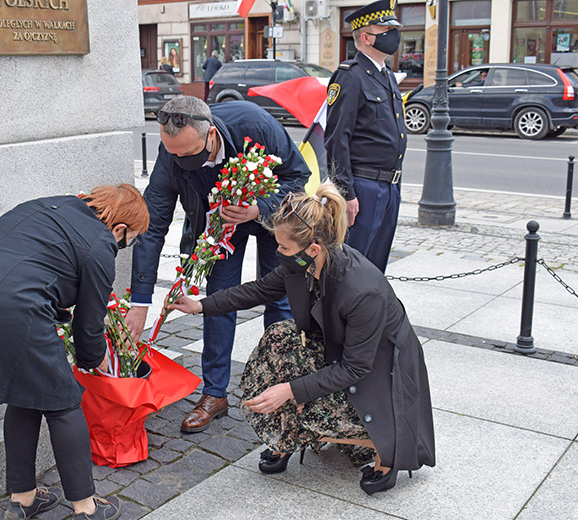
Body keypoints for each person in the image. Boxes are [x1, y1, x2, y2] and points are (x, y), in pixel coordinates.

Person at [168, 184, 435, 495]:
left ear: (313, 249)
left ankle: (385, 449)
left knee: (307, 402)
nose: (278, 253)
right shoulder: (301, 264)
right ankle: (285, 437)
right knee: (280, 336)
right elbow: (258, 290)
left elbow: (355, 369)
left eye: (284, 247)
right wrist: (199, 305)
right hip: (338, 352)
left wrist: (290, 390)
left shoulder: (363, 291)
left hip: (380, 374)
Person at [0, 184, 148, 520]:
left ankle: (23, 499)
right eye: (131, 239)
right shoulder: (100, 245)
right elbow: (89, 323)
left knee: (25, 393)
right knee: (64, 404)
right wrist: (97, 360)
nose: (126, 245)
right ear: (119, 229)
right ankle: (86, 508)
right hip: (13, 306)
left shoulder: (48, 205)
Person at [124, 96, 310, 433]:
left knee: (278, 297)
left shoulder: (255, 124)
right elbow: (153, 225)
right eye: (173, 154)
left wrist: (258, 208)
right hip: (220, 228)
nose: (179, 161)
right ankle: (214, 394)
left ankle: (277, 383)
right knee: (217, 300)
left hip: (270, 220)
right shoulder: (171, 154)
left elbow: (297, 178)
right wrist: (140, 301)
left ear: (210, 135)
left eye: (187, 155)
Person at [324, 0, 408, 273]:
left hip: (389, 185)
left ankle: (369, 315)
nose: (393, 35)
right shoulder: (350, 76)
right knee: (353, 267)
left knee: (376, 266)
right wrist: (345, 193)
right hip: (363, 187)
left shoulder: (387, 76)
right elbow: (337, 139)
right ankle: (343, 316)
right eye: (385, 29)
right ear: (366, 37)